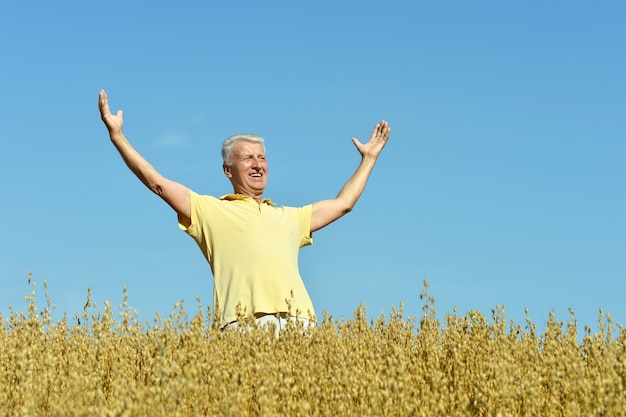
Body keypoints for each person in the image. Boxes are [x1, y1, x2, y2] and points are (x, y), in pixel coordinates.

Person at [98, 89, 391, 331]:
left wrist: (369, 159)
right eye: (248, 158)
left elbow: (344, 204)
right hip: (244, 323)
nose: (257, 164)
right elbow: (157, 183)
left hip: (301, 324)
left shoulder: (290, 216)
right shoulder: (210, 211)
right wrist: (118, 137)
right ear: (228, 170)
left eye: (262, 158)